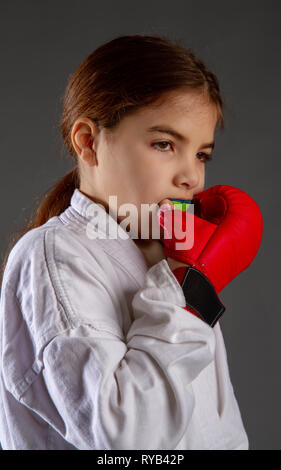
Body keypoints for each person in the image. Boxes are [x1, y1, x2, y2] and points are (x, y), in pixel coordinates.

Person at [0, 34, 251, 450]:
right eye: (164, 144)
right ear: (88, 142)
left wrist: (187, 277)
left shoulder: (174, 254)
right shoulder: (54, 254)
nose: (192, 177)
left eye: (202, 154)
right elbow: (128, 441)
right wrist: (189, 294)